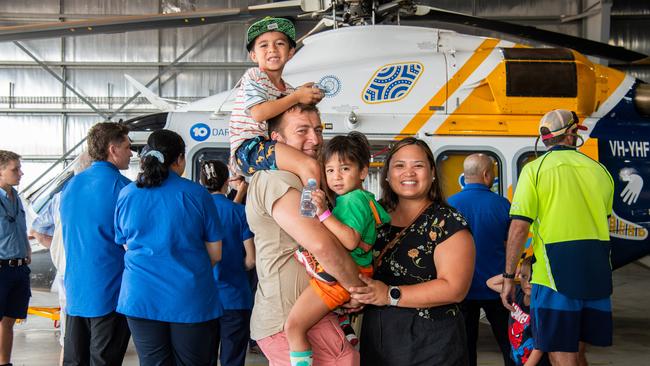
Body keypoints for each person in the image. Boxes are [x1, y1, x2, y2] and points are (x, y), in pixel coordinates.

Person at [246, 103, 364, 366]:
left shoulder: (304, 180)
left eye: (318, 130)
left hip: (313, 313)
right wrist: (357, 288)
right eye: (302, 131)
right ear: (276, 141)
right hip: (288, 319)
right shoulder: (275, 179)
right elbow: (322, 245)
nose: (315, 139)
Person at [501, 109, 615, 366]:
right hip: (596, 275)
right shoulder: (600, 171)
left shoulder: (534, 170)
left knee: (559, 355)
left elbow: (519, 227)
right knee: (577, 352)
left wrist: (509, 277)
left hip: (556, 278)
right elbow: (604, 221)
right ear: (572, 133)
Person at [349, 137, 475, 366]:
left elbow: (454, 288)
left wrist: (388, 294)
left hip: (433, 348)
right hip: (378, 343)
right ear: (387, 174)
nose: (409, 172)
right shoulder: (372, 215)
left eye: (418, 165)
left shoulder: (448, 222)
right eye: (399, 165)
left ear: (432, 173)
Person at [114, 130, 223, 366]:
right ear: (180, 159)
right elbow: (215, 254)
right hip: (189, 297)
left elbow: (125, 244)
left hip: (140, 296)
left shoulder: (127, 194)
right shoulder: (197, 194)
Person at [284, 132, 391, 366]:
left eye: (344, 169)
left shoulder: (352, 200)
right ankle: (344, 324)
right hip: (358, 269)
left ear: (363, 172)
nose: (336, 177)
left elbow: (350, 241)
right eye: (330, 171)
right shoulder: (361, 198)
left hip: (338, 275)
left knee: (294, 327)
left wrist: (323, 213)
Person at [59, 123, 132, 366]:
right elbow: (134, 244)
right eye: (127, 147)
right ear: (113, 149)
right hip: (110, 292)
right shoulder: (123, 189)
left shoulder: (71, 187)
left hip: (77, 292)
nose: (131, 153)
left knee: (75, 360)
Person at [230, 16, 323, 185]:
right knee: (309, 164)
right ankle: (314, 209)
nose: (272, 49)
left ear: (290, 52)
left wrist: (308, 97)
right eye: (264, 45)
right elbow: (259, 113)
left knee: (312, 166)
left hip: (269, 144)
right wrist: (296, 97)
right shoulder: (254, 76)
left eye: (279, 43)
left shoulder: (287, 89)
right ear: (253, 56)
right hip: (249, 149)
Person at [448, 153, 514, 366]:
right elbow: (509, 244)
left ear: (465, 176)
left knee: (465, 347)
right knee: (509, 343)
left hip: (461, 288)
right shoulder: (503, 204)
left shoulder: (449, 205)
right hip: (497, 287)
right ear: (487, 175)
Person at [30, 152, 92, 366]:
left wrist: (58, 249)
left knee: (70, 334)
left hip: (68, 271)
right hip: (91, 273)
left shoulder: (61, 198)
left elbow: (38, 229)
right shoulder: (107, 193)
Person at [200, 159, 255, 366]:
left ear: (200, 181)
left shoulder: (196, 210)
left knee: (204, 356)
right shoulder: (239, 212)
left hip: (203, 298)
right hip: (235, 297)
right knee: (232, 357)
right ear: (226, 182)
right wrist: (238, 268)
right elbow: (251, 259)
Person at [488, 254, 550, 366]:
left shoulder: (542, 307)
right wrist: (511, 274)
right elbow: (490, 283)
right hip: (516, 357)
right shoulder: (516, 294)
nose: (528, 282)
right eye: (524, 277)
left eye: (533, 277)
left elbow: (539, 347)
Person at [0, 150, 30, 366]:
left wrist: (27, 248)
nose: (20, 173)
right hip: (1, 268)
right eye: (15, 169)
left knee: (9, 319)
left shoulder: (16, 197)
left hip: (19, 269)